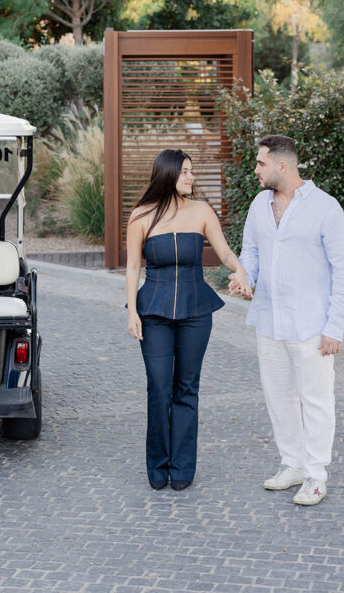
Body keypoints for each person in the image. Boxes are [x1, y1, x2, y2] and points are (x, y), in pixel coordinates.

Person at [230, 135, 344, 506]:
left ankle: (316, 476)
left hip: (312, 325)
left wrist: (335, 326)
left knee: (317, 401)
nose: (255, 170)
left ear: (282, 166)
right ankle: (293, 465)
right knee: (279, 397)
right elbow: (250, 250)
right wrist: (244, 276)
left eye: (260, 163)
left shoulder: (325, 208)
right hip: (270, 320)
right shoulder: (258, 204)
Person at [126, 149, 252, 491]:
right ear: (168, 174)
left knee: (186, 389)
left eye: (191, 172)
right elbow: (134, 266)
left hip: (196, 313)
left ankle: (182, 467)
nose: (191, 178)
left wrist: (239, 269)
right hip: (153, 312)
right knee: (159, 388)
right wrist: (132, 311)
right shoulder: (141, 216)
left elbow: (223, 252)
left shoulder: (201, 211)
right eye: (185, 172)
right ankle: (158, 465)